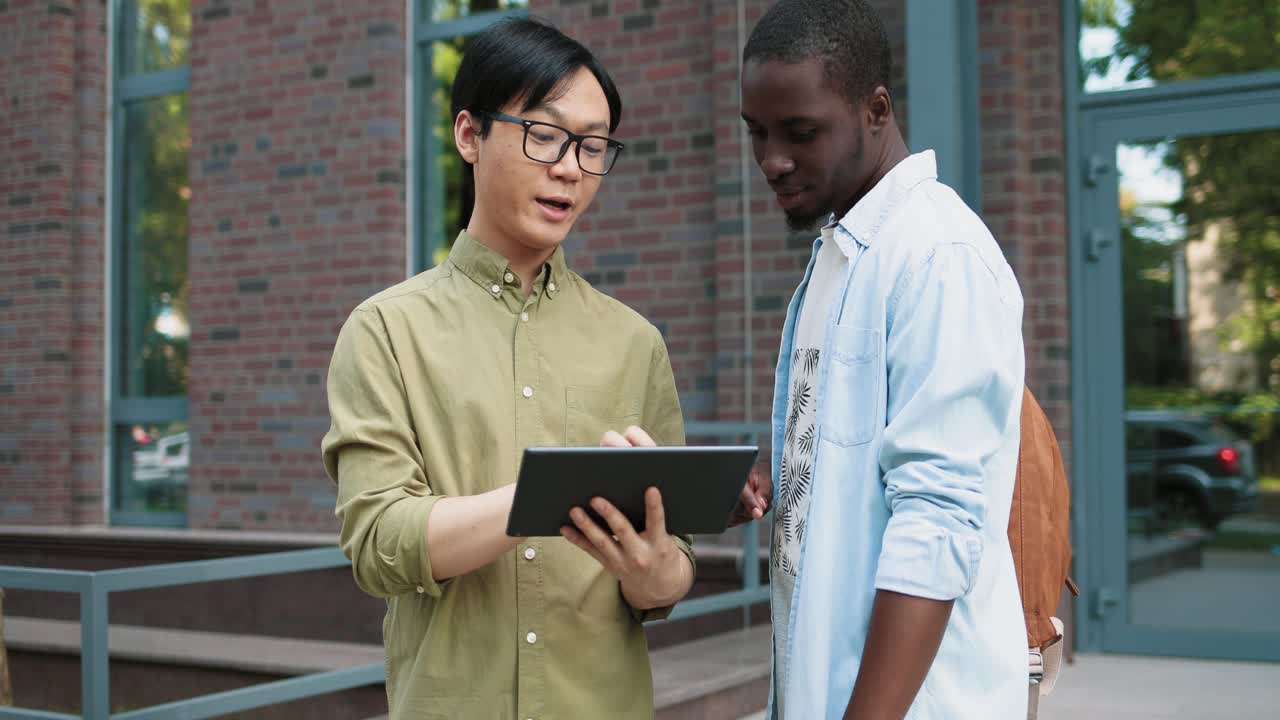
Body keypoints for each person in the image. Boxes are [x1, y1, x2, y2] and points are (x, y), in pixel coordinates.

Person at [321, 18, 695, 719]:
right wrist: (549, 493)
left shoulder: (636, 343)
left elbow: (669, 572)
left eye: (592, 147)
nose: (571, 169)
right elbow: (378, 545)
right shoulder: (386, 331)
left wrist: (656, 572)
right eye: (545, 135)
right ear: (470, 135)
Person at [733, 1, 1028, 717]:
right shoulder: (842, 253)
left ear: (876, 110)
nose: (772, 159)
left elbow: (937, 522)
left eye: (801, 132)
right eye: (758, 132)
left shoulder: (937, 257)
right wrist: (788, 472)